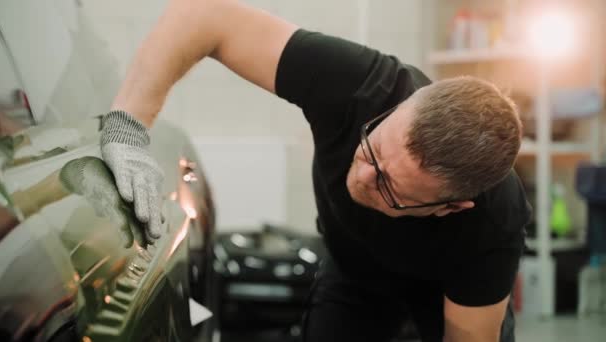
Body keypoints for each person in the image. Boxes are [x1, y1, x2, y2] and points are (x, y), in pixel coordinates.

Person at [99, 0, 532, 341]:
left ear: (450, 207)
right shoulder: (358, 85)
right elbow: (203, 13)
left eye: (388, 186)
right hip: (354, 270)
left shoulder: (491, 225)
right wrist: (127, 125)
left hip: (442, 290)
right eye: (372, 148)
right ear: (402, 106)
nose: (363, 176)